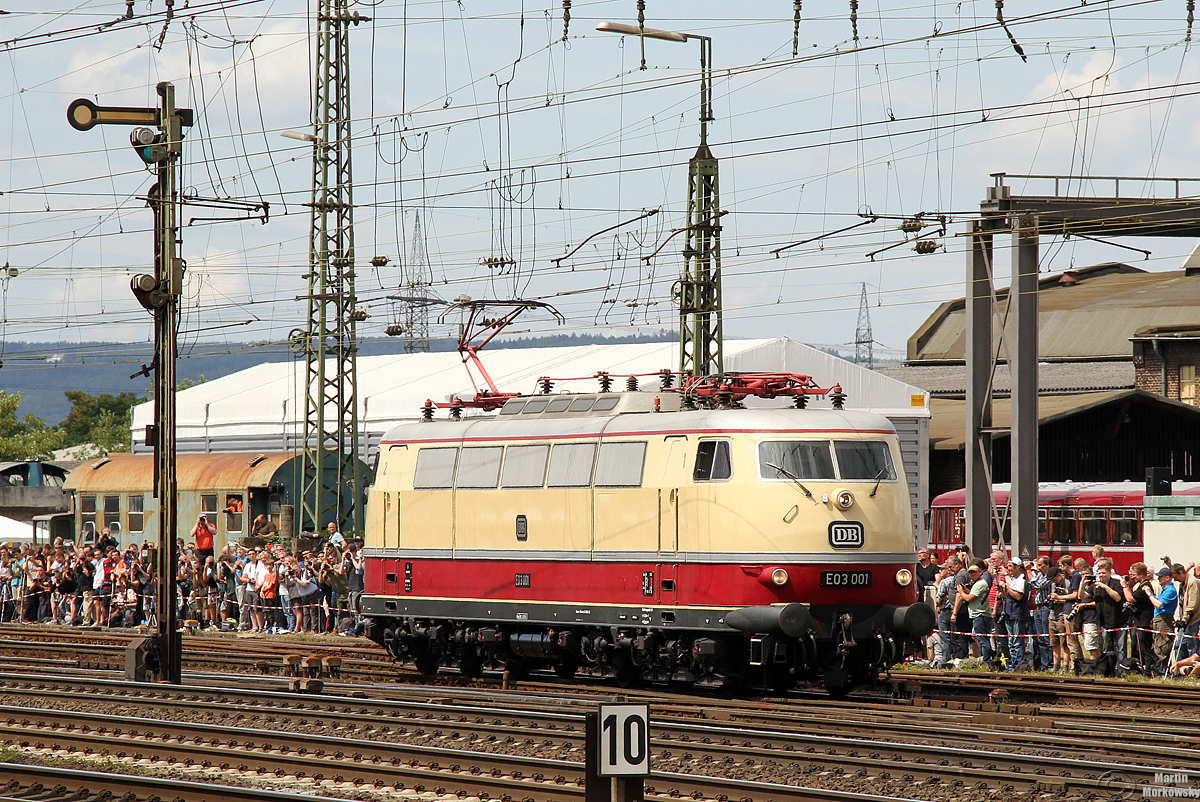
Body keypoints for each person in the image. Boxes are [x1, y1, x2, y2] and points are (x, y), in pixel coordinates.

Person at [956, 561, 995, 664]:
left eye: (974, 572)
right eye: (970, 572)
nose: (972, 574)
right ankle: (984, 659)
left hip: (980, 615)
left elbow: (968, 599)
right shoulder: (977, 584)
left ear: (979, 572)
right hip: (979, 615)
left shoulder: (979, 584)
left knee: (983, 640)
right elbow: (974, 596)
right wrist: (966, 590)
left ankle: (986, 661)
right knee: (979, 638)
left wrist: (961, 592)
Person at [1090, 559, 1126, 660]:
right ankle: (1108, 666)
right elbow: (1082, 596)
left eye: (1103, 573)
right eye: (1099, 573)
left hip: (1119, 622)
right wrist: (1082, 584)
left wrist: (1105, 587)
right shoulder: (1096, 586)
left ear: (1110, 572)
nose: (1101, 575)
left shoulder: (1116, 583)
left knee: (1121, 649)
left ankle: (1120, 667)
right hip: (1104, 623)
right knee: (1106, 648)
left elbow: (1117, 598)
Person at [997, 559, 1030, 670]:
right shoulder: (1012, 578)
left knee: (1017, 641)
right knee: (1011, 642)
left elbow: (1018, 596)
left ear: (1017, 566)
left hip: (1017, 613)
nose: (1009, 569)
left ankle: (1018, 663)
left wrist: (1006, 587)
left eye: (1010, 566)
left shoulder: (1021, 579)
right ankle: (1013, 662)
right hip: (1009, 613)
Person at [933, 558, 960, 668]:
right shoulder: (957, 579)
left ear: (948, 571)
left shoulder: (944, 582)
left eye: (942, 569)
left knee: (945, 638)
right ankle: (956, 659)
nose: (940, 571)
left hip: (945, 611)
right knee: (955, 637)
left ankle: (945, 661)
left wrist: (937, 584)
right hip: (955, 611)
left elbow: (938, 600)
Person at [1027, 557, 1053, 670]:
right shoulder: (1039, 575)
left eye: (1040, 565)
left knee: (1046, 638)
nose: (1038, 567)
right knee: (1040, 638)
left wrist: (1029, 571)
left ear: (1047, 565)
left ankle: (1050, 664)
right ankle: (1043, 664)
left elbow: (1038, 585)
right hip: (1038, 608)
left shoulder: (1049, 575)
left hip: (1046, 608)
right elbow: (1030, 586)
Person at [1172, 563, 1200, 661]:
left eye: (1175, 577)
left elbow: (1193, 603)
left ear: (1180, 573)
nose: (1175, 580)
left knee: (1191, 646)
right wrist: (1179, 619)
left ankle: (1191, 668)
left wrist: (1184, 619)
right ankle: (1178, 668)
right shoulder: (1183, 583)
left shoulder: (1193, 582)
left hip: (1193, 620)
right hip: (1184, 620)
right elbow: (1182, 603)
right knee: (1179, 646)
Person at [1151, 566, 1178, 667]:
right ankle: (1160, 668)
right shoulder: (1164, 590)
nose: (1159, 578)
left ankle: (1165, 669)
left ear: (1167, 578)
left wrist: (1149, 594)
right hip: (1159, 619)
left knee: (1163, 645)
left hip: (1164, 619)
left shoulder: (1170, 590)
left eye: (1161, 576)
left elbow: (1158, 604)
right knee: (1157, 643)